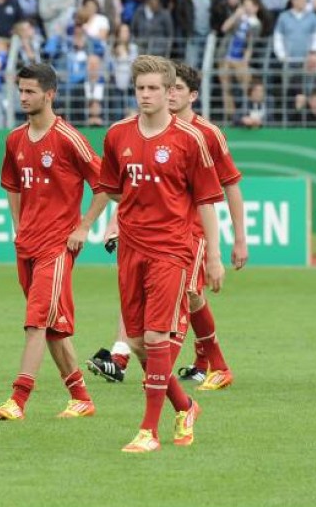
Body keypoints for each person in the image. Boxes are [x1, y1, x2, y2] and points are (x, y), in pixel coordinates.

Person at [89, 62, 247, 390]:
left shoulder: (205, 134)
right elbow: (135, 188)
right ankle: (199, 365)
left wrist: (239, 240)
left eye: (174, 89)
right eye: (167, 88)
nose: (169, 94)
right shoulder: (133, 132)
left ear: (192, 95)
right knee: (171, 299)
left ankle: (172, 372)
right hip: (151, 232)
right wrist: (116, 221)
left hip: (191, 232)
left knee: (187, 294)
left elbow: (229, 185)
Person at [98, 55, 225, 452]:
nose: (146, 95)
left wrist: (215, 256)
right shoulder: (117, 135)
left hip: (172, 249)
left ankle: (148, 430)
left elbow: (206, 201)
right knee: (135, 342)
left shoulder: (190, 140)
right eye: (140, 88)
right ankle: (185, 407)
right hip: (130, 249)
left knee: (156, 337)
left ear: (171, 92)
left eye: (154, 88)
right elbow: (113, 187)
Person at [0, 63, 108, 421]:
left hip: (57, 245)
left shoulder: (68, 138)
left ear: (49, 95)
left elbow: (104, 186)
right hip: (26, 243)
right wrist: (17, 222)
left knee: (36, 321)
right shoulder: (15, 139)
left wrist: (84, 227)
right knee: (53, 328)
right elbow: (12, 184)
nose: (23, 97)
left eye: (30, 92)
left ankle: (18, 399)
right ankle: (81, 397)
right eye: (20, 90)